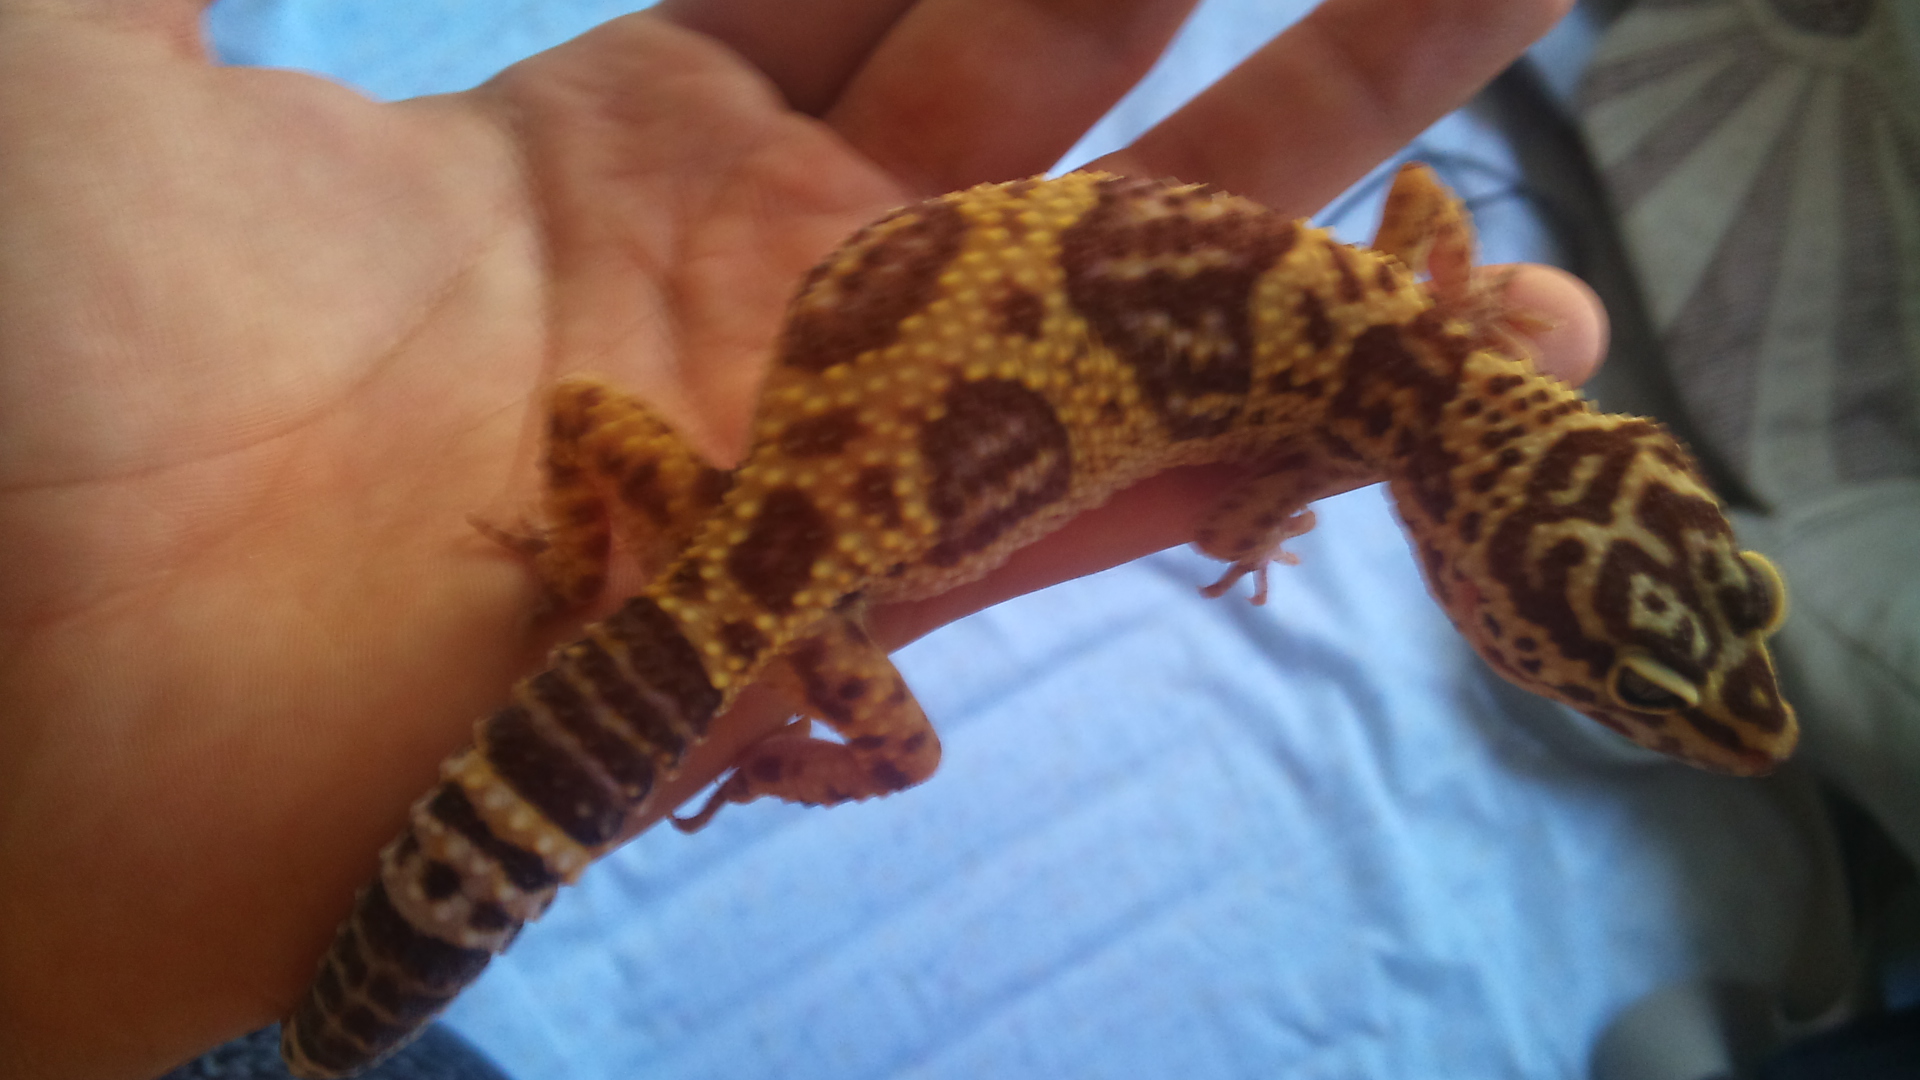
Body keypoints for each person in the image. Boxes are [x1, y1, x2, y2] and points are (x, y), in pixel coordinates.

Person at [0, 1, 1600, 1077]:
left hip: (757, 504)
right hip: (800, 580)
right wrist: (773, 755)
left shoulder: (1421, 325)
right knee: (904, 757)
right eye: (1597, 677)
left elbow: (1428, 217)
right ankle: (719, 780)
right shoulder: (1346, 442)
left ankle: (369, 977)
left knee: (608, 447)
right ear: (1471, 577)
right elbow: (1248, 503)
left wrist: (572, 576)